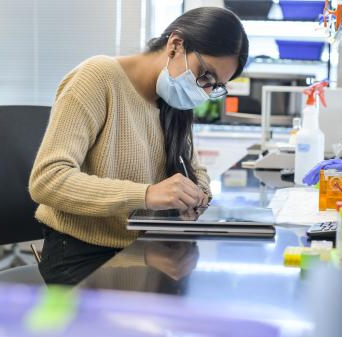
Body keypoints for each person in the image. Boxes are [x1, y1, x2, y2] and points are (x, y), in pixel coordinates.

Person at [28, 7, 249, 285]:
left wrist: (197, 193)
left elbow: (194, 167)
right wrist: (146, 195)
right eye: (205, 75)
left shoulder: (173, 100)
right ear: (176, 45)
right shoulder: (98, 78)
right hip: (82, 256)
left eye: (214, 86)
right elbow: (47, 180)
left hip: (143, 251)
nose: (203, 91)